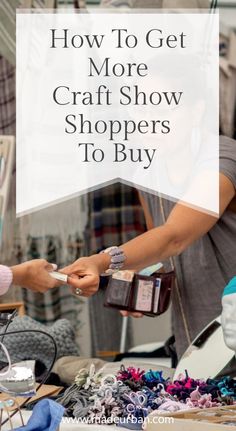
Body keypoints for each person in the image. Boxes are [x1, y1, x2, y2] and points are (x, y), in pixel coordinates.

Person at [62, 136, 236, 359]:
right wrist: (140, 280)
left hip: (227, 327)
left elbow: (173, 237)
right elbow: (160, 253)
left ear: (197, 108)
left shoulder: (221, 157)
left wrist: (102, 261)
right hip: (192, 341)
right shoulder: (146, 172)